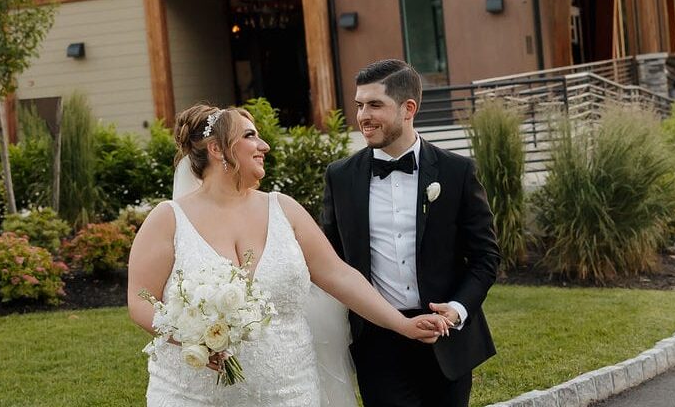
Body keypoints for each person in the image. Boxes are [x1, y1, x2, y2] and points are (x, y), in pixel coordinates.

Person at [127, 104, 451, 407]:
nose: (265, 146)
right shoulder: (168, 219)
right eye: (250, 136)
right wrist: (192, 338)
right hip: (192, 394)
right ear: (216, 149)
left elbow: (339, 275)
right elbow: (140, 301)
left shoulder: (284, 210)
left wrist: (402, 324)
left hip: (289, 390)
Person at [321, 59, 501, 407]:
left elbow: (485, 257)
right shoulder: (340, 177)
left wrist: (456, 310)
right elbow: (331, 260)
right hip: (377, 342)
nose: (363, 116)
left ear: (408, 109)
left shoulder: (456, 172)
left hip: (447, 338)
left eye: (375, 105)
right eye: (359, 105)